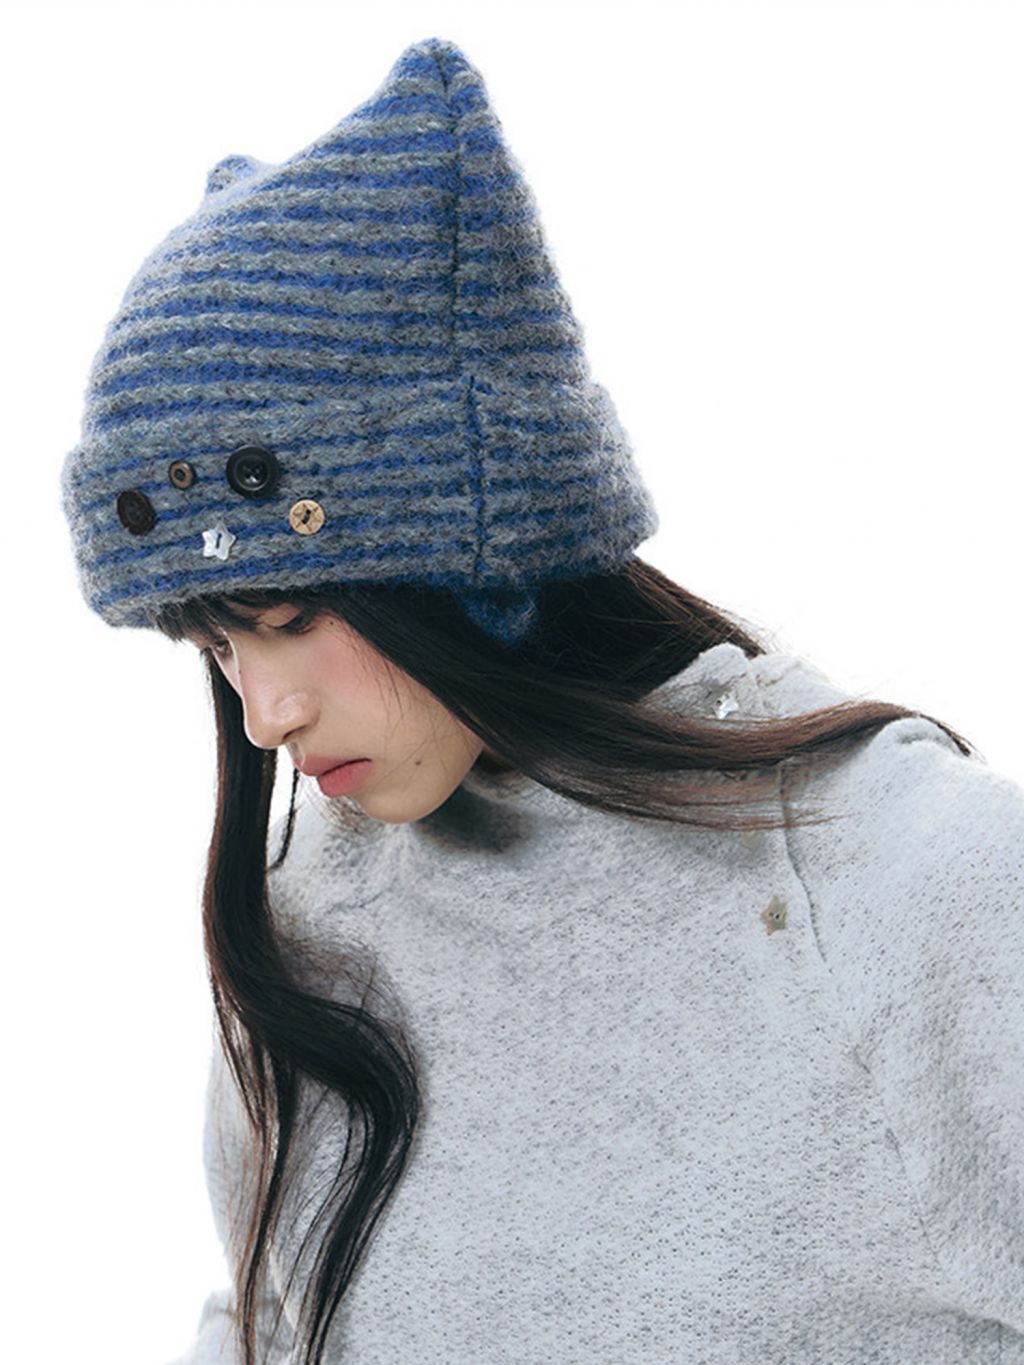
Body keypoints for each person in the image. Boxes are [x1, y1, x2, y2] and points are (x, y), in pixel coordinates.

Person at [58, 34, 1023, 1365]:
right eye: (214, 646)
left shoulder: (918, 890)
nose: (265, 712)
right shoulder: (312, 944)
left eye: (290, 619)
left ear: (484, 563)